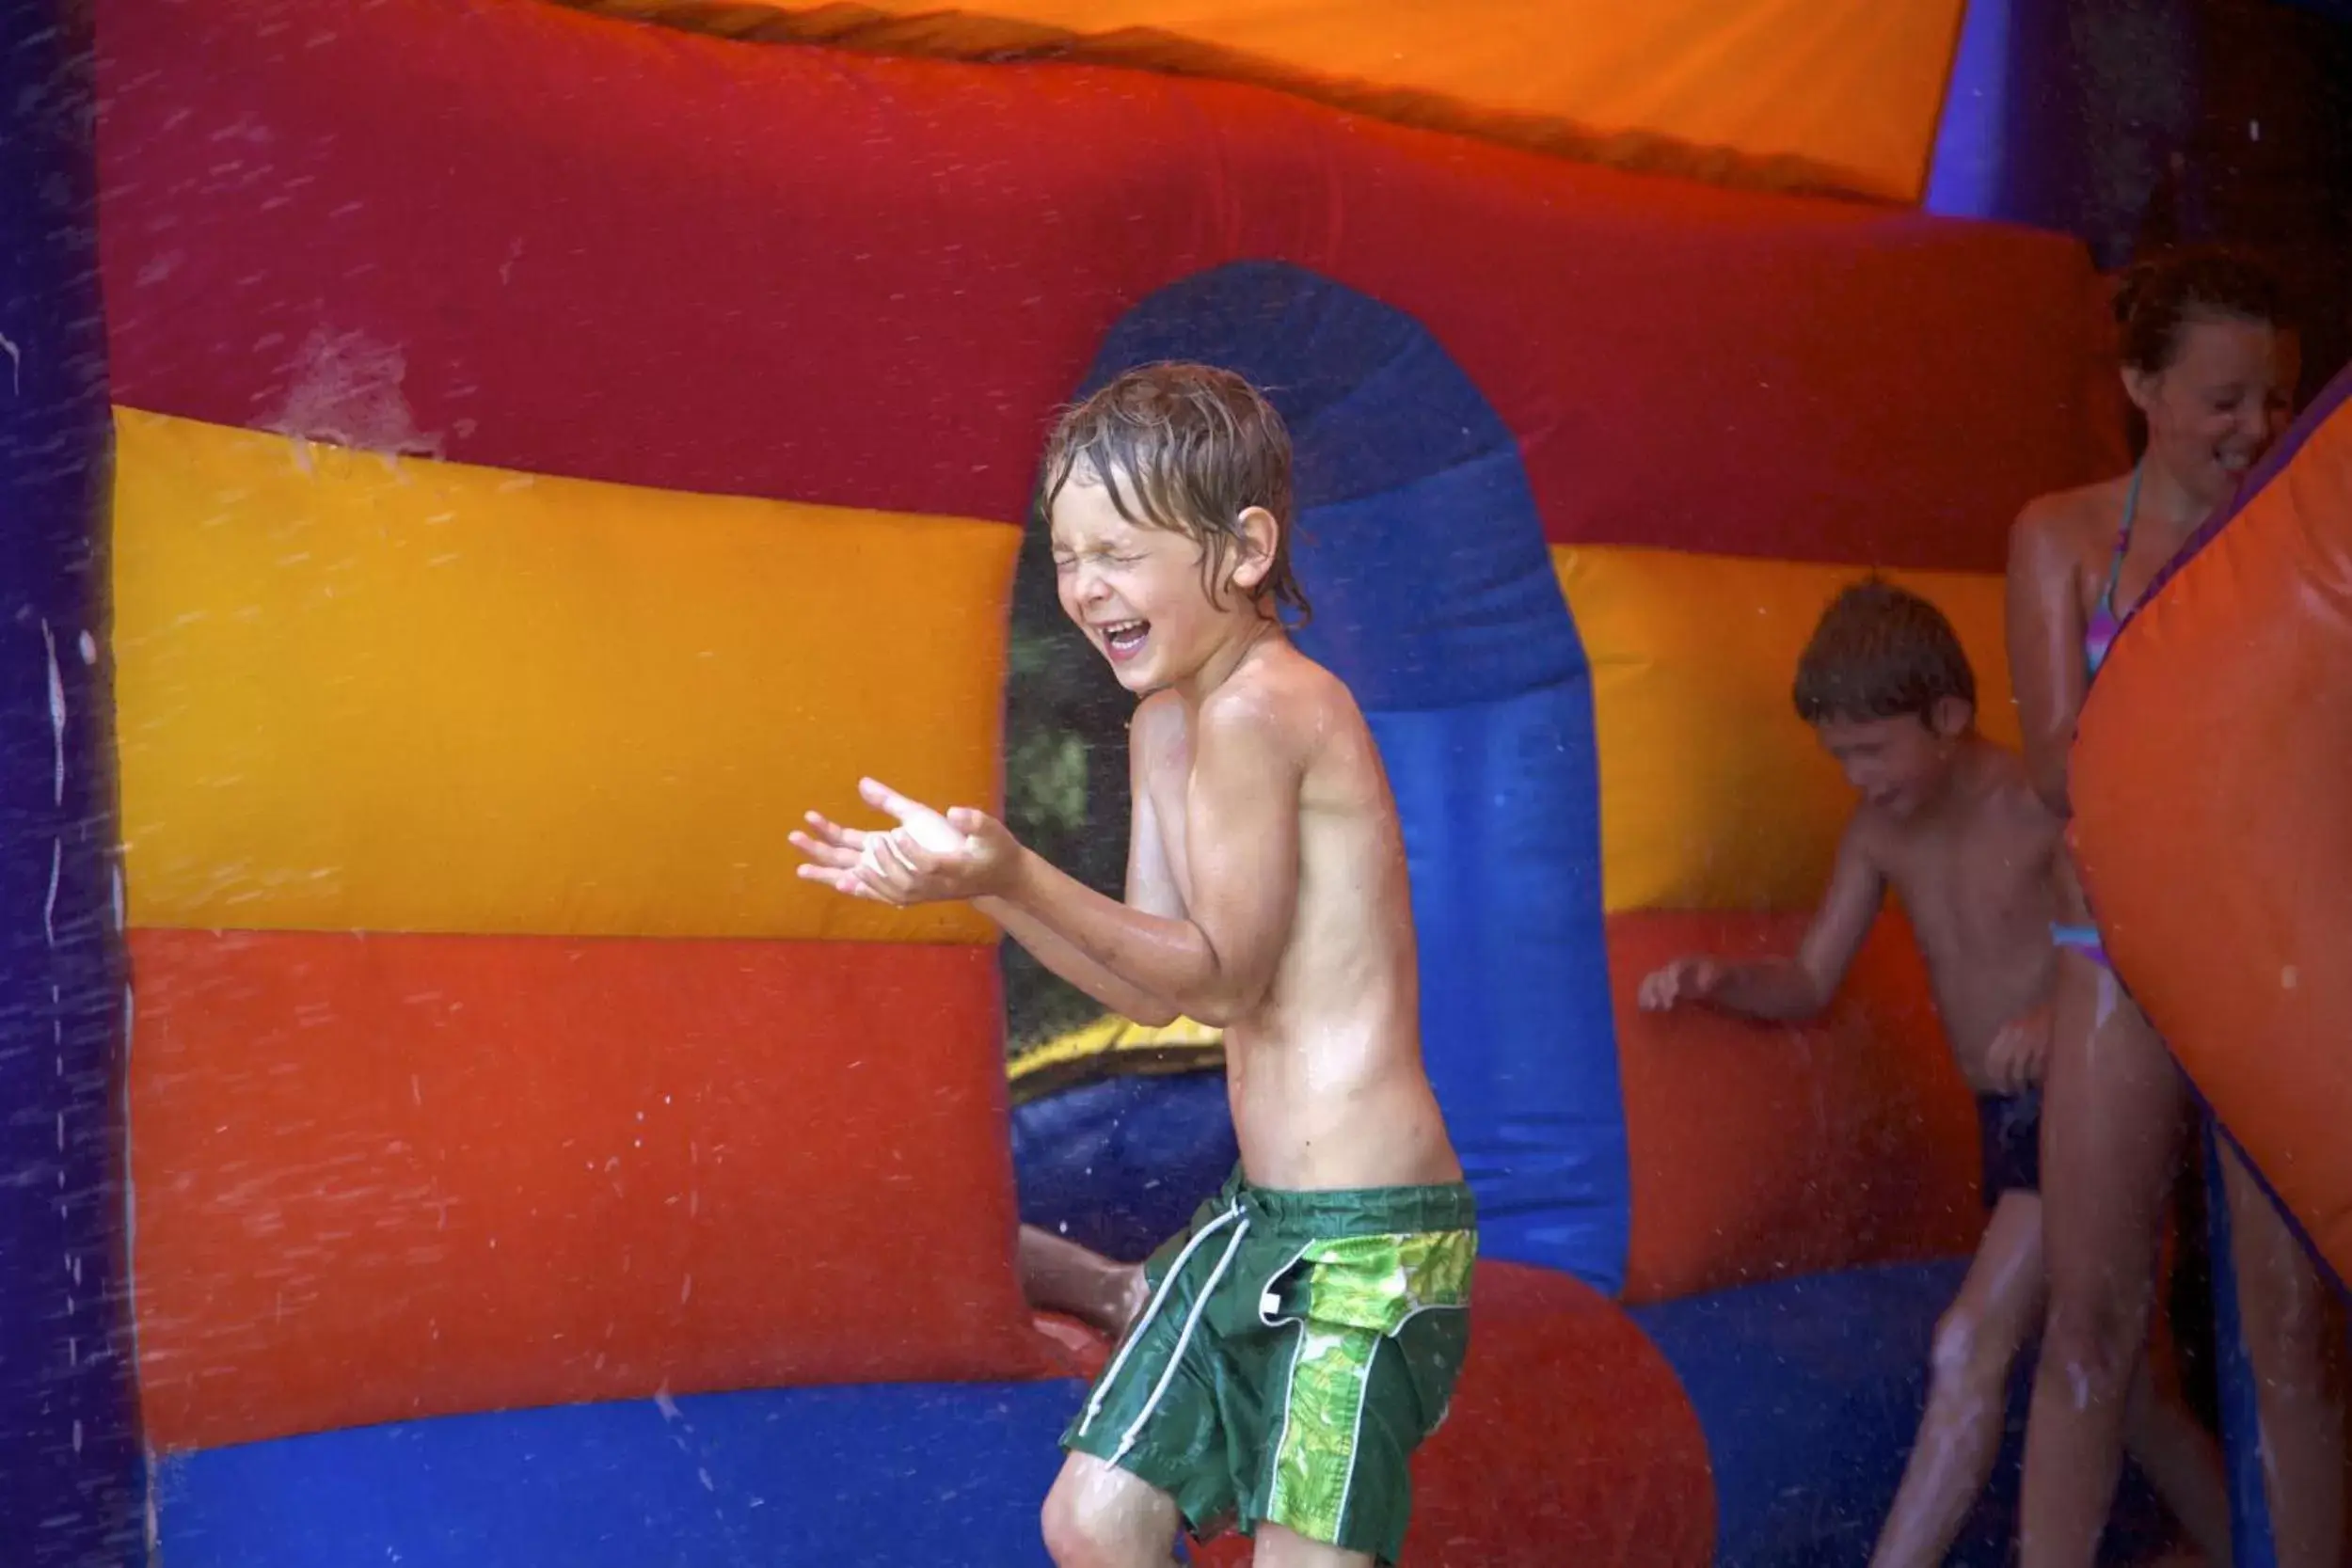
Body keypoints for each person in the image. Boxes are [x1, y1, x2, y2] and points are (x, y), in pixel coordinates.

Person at [792, 361, 1475, 1568]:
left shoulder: (1272, 706)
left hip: (1369, 1239)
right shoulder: (1167, 717)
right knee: (1094, 1518)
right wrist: (989, 885)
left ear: (1245, 547)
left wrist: (1012, 871)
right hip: (1265, 1220)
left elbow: (1223, 980)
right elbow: (1161, 989)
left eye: (1117, 552)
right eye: (1064, 557)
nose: (1084, 587)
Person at [1639, 581, 2231, 1568]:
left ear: (1948, 718)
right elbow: (1808, 980)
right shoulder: (1879, 835)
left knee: (1968, 1342)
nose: (1856, 775)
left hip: (2081, 1103)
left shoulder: (2038, 814)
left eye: (1872, 749)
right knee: (2130, 1397)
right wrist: (1720, 979)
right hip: (2004, 1114)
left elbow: (2142, 940)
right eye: (1839, 755)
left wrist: (2059, 1012)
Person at [2008, 249, 2344, 1568]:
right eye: (2223, 398)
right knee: (2094, 1324)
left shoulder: (2320, 548)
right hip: (2124, 947)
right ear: (2143, 386)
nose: (2257, 427)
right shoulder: (2067, 533)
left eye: (2278, 395)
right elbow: (2057, 769)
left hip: (2280, 950)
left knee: (2299, 1337)